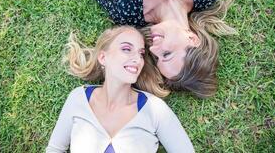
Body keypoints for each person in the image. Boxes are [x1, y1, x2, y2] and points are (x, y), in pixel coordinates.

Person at [61, 0, 238, 98]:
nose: (153, 50)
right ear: (192, 39)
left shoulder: (129, 11)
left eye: (157, 58)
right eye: (166, 54)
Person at [46, 26, 195, 153]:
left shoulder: (155, 110)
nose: (137, 59)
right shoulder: (78, 98)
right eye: (126, 49)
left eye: (141, 53)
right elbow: (54, 149)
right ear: (103, 58)